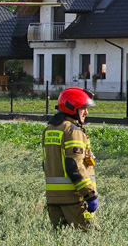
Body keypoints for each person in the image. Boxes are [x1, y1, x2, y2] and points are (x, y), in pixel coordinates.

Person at [42, 87, 99, 231]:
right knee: (92, 239)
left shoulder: (49, 130)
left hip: (53, 200)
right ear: (72, 108)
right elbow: (74, 166)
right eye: (83, 108)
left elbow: (46, 164)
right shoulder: (72, 131)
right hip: (74, 199)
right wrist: (90, 195)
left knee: (61, 243)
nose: (86, 112)